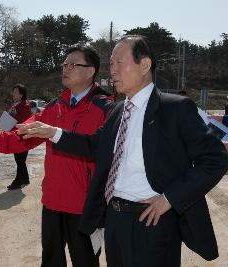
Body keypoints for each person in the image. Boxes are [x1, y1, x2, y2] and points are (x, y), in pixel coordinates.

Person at [17, 35, 228, 267]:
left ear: (144, 65)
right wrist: (54, 133)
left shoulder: (175, 108)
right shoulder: (118, 111)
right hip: (115, 219)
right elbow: (95, 146)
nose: (112, 70)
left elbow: (215, 159)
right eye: (111, 64)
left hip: (152, 220)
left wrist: (170, 199)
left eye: (119, 62)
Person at [0, 46, 114, 267]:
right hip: (53, 201)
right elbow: (23, 134)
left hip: (85, 207)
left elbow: (108, 155)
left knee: (85, 261)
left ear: (90, 71)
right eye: (64, 64)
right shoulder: (56, 106)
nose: (65, 69)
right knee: (51, 260)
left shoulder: (106, 109)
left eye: (73, 65)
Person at [7, 84, 32, 190]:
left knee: (19, 160)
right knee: (20, 160)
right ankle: (25, 178)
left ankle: (17, 181)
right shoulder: (15, 105)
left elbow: (23, 121)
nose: (13, 94)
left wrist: (12, 116)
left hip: (23, 137)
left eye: (16, 92)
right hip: (16, 136)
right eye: (13, 91)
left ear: (21, 95)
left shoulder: (25, 105)